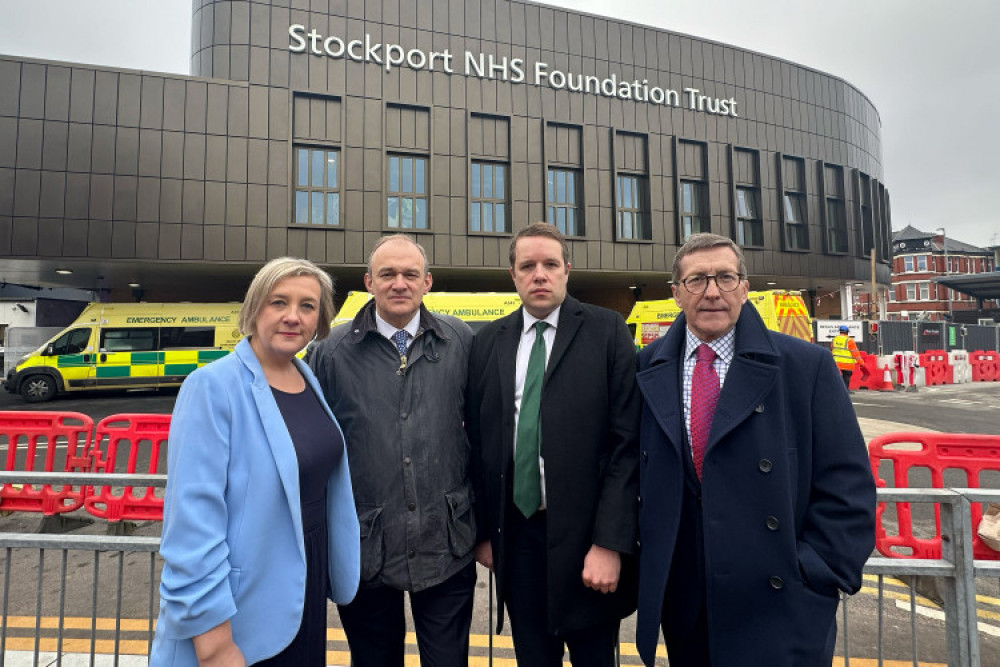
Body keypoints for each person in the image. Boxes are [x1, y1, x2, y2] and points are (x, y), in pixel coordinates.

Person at [634, 233, 876, 667]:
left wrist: (815, 570)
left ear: (745, 287)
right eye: (697, 280)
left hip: (781, 603)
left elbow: (848, 484)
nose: (712, 292)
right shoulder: (647, 367)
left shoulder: (806, 366)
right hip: (687, 607)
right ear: (676, 294)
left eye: (726, 277)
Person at [151, 257, 360, 666]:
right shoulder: (212, 386)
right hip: (241, 609)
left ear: (320, 320)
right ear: (253, 308)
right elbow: (191, 527)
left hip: (303, 589)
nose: (292, 317)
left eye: (307, 306)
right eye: (277, 302)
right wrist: (214, 643)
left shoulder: (305, 377)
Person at [466, 222, 640, 667]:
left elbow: (627, 445)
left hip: (588, 542)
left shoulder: (608, 332)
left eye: (549, 264)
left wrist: (610, 543)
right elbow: (479, 443)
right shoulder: (488, 342)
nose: (539, 274)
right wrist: (485, 533)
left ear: (567, 270)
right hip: (519, 538)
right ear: (513, 275)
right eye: (528, 266)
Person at [308, 234, 477, 667]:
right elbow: (311, 444)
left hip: (445, 542)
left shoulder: (460, 341)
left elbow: (482, 434)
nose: (398, 283)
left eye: (409, 274)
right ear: (369, 282)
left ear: (427, 282)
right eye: (387, 274)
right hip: (365, 545)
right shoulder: (330, 351)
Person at [831, 324, 864, 390]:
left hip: (836, 363)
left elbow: (832, 348)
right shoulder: (849, 340)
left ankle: (838, 390)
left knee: (837, 377)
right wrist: (861, 363)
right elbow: (855, 353)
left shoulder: (834, 339)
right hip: (847, 363)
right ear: (847, 332)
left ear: (840, 331)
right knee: (846, 377)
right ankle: (845, 391)